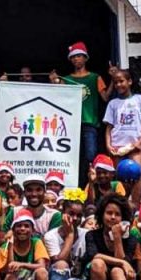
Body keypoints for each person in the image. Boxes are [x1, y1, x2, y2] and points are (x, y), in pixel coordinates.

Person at [50, 42, 113, 178]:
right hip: (70, 125)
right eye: (73, 57)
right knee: (71, 156)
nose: (76, 59)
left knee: (90, 156)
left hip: (90, 122)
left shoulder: (95, 78)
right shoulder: (66, 80)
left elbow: (105, 97)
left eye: (79, 56)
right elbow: (58, 99)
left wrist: (113, 79)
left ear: (85, 58)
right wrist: (54, 82)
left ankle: (90, 184)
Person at [83, 194, 137, 280]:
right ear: (102, 215)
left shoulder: (131, 239)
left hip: (123, 278)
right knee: (97, 264)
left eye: (117, 214)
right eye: (109, 213)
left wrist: (117, 238)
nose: (112, 217)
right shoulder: (92, 235)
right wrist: (122, 262)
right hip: (100, 277)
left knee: (117, 271)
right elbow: (94, 255)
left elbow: (126, 263)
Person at [43, 189, 90, 280]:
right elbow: (60, 261)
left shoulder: (87, 235)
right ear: (62, 213)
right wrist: (70, 235)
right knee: (61, 265)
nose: (75, 218)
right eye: (71, 214)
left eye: (79, 216)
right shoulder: (51, 236)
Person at [0, 209, 50, 280]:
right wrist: (10, 245)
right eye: (19, 226)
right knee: (9, 277)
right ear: (13, 229)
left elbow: (42, 265)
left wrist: (21, 264)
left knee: (42, 272)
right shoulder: (6, 246)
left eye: (26, 226)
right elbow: (7, 269)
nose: (22, 229)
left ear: (32, 230)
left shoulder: (36, 242)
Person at [103, 66, 141, 166]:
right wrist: (108, 145)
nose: (118, 85)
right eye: (115, 83)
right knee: (119, 174)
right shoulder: (113, 103)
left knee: (135, 172)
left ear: (129, 81)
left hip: (134, 145)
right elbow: (109, 127)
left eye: (121, 81)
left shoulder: (139, 99)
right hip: (117, 147)